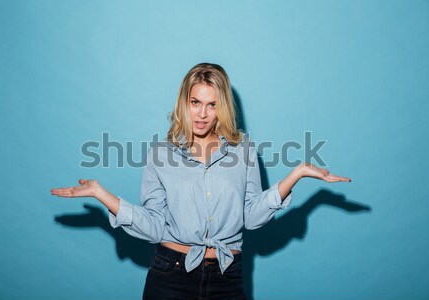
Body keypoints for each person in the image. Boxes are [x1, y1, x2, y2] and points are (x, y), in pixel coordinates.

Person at [51, 63, 351, 300]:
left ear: (222, 107)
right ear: (185, 101)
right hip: (170, 275)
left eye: (212, 104)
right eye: (196, 102)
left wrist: (296, 174)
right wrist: (100, 193)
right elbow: (155, 226)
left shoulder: (243, 148)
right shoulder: (160, 153)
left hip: (227, 276)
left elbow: (251, 217)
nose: (203, 114)